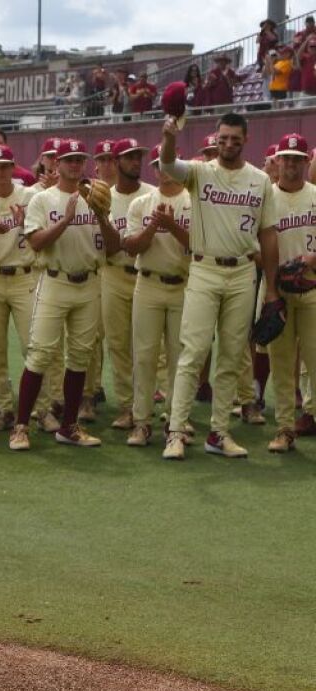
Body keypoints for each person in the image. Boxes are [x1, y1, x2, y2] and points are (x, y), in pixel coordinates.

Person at [159, 112, 280, 459]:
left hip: (243, 272)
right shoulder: (200, 172)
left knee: (230, 356)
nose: (228, 144)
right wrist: (168, 135)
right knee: (193, 352)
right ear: (215, 138)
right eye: (223, 138)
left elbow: (268, 234)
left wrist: (271, 287)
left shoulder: (260, 181)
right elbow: (168, 163)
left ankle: (218, 433)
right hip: (205, 269)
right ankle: (176, 432)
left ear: (246, 140)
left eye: (235, 139)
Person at [8, 139, 114, 450]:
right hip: (55, 280)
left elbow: (115, 245)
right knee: (40, 353)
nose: (74, 164)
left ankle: (69, 426)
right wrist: (66, 220)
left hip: (89, 282)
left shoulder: (97, 196)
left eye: (79, 159)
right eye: (68, 159)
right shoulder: (44, 199)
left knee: (80, 357)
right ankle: (20, 426)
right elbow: (36, 242)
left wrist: (103, 217)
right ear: (56, 164)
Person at [124, 147, 193, 446]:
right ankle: (141, 421)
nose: (164, 170)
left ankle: (177, 421)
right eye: (159, 165)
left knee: (181, 357)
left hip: (184, 283)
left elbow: (200, 245)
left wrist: (172, 225)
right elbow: (131, 247)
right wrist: (155, 225)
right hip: (148, 281)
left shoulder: (193, 200)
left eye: (170, 164)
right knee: (144, 356)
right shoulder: (141, 203)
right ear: (154, 169)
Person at [0, 145, 42, 431]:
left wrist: (25, 223)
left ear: (14, 167)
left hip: (23, 275)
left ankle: (40, 408)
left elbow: (41, 234)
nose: (1, 172)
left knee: (33, 345)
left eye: (5, 166)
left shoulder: (30, 196)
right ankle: (4, 408)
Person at [264, 133, 316, 452]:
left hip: (312, 288)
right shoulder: (265, 198)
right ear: (277, 161)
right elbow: (251, 243)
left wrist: (312, 259)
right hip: (277, 290)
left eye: (298, 159)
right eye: (287, 158)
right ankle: (285, 428)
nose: (292, 164)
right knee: (281, 364)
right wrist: (273, 277)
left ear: (307, 162)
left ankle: (311, 413)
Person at [99, 138, 156, 431]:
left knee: (147, 347)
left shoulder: (153, 195)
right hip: (113, 273)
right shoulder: (104, 197)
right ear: (116, 161)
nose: (136, 161)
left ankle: (149, 404)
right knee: (118, 344)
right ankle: (126, 406)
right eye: (129, 156)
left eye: (138, 155)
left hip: (145, 275)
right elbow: (107, 248)